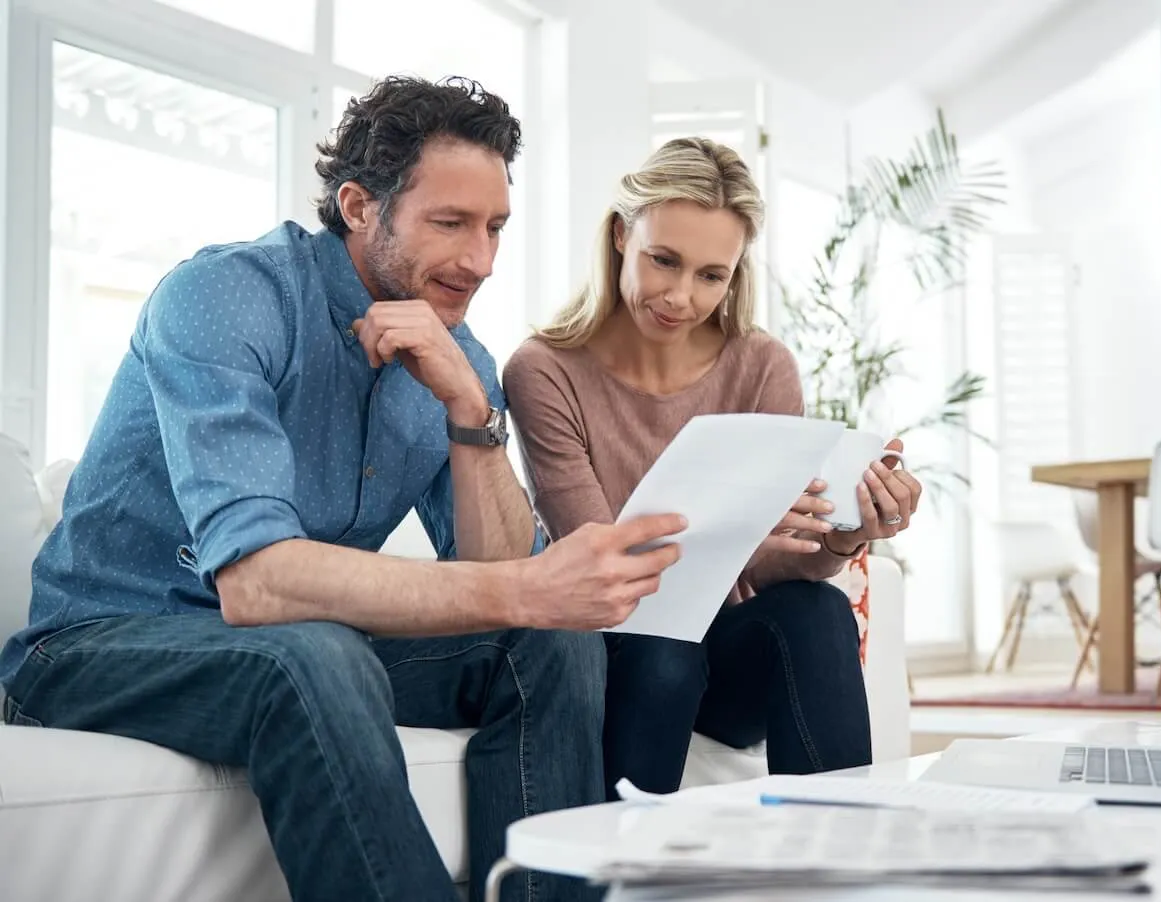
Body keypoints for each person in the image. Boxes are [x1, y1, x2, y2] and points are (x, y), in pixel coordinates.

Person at [0, 76, 686, 902]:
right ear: (360, 206)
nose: (481, 260)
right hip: (96, 646)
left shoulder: (457, 354)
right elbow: (256, 586)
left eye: (496, 227)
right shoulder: (227, 297)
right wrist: (530, 583)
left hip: (294, 646)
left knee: (552, 641)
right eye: (450, 223)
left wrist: (472, 412)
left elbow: (513, 589)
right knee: (315, 649)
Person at [502, 137, 924, 798]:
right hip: (617, 648)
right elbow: (606, 564)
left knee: (817, 612)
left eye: (711, 275)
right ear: (620, 236)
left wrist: (841, 534)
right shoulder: (544, 370)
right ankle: (630, 876)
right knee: (664, 648)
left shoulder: (761, 365)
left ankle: (842, 863)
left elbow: (777, 561)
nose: (680, 296)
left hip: (725, 655)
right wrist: (735, 527)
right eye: (663, 261)